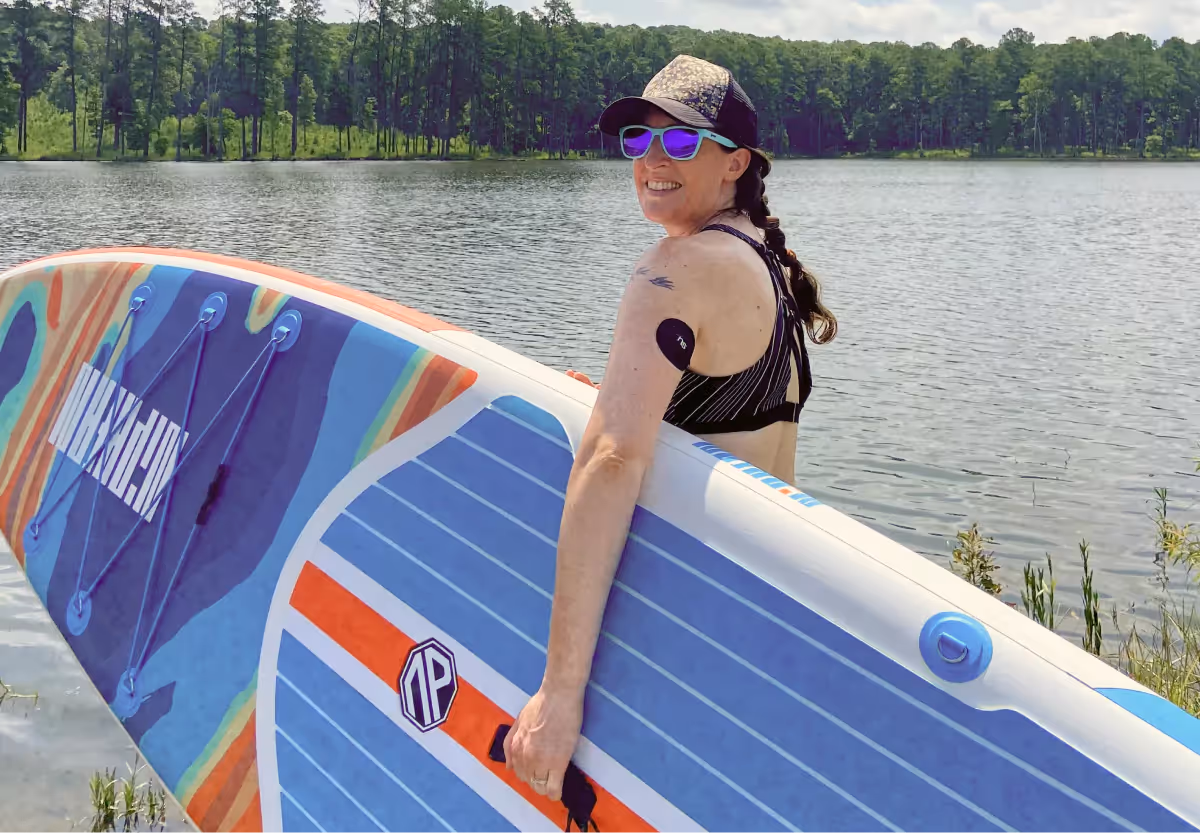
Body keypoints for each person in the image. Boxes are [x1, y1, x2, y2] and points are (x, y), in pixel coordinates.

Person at [503, 54, 838, 803]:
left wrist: (559, 695)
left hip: (680, 613)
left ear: (735, 163)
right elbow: (730, 416)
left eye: (682, 143)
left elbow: (614, 457)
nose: (652, 161)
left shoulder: (676, 266)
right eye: (637, 140)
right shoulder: (768, 261)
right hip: (753, 611)